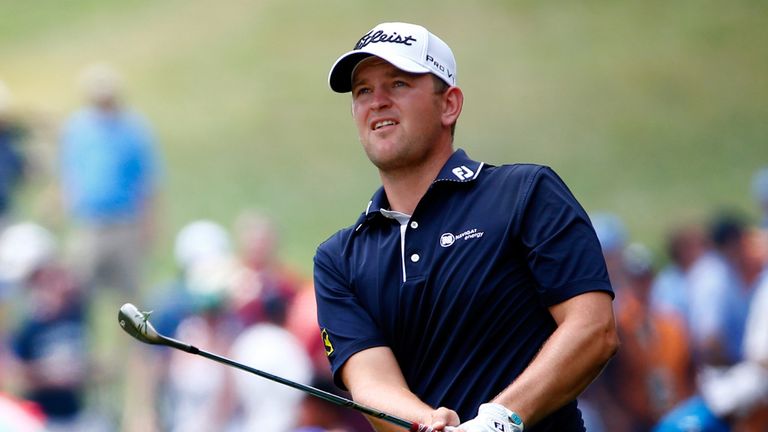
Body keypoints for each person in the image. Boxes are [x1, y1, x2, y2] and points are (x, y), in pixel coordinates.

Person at [313, 22, 619, 432]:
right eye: (363, 91)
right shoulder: (339, 259)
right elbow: (370, 381)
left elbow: (594, 329)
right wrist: (429, 424)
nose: (377, 101)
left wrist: (500, 419)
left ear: (449, 105)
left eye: (398, 84)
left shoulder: (525, 193)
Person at [58, 62, 161, 303]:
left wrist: (151, 223)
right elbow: (69, 172)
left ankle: (131, 340)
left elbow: (147, 180)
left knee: (129, 291)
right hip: (90, 221)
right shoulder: (77, 129)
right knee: (80, 287)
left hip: (126, 220)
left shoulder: (133, 130)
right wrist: (63, 206)